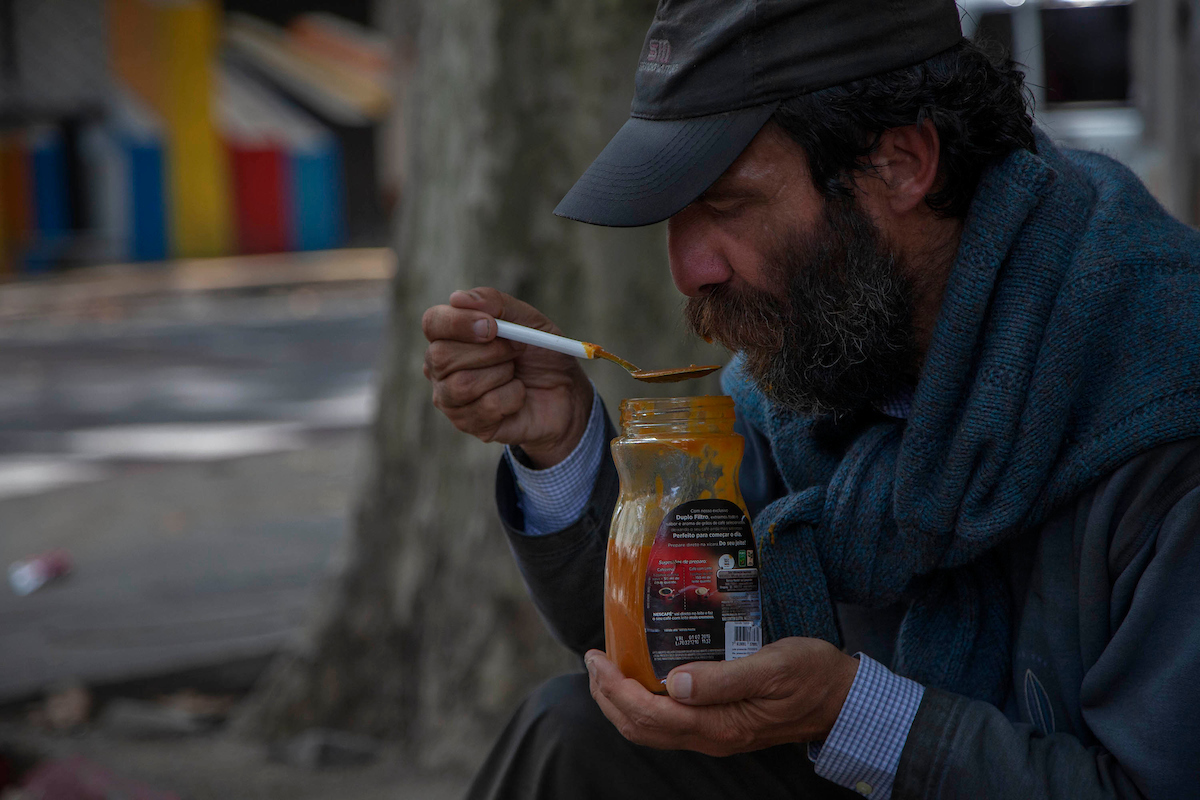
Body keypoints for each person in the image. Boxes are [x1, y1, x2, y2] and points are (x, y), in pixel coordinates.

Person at [421, 1, 1200, 798]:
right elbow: (677, 646)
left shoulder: (1161, 401)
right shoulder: (825, 357)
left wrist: (852, 715)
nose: (689, 270)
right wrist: (561, 445)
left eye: (727, 204)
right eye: (674, 216)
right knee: (572, 737)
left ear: (899, 164)